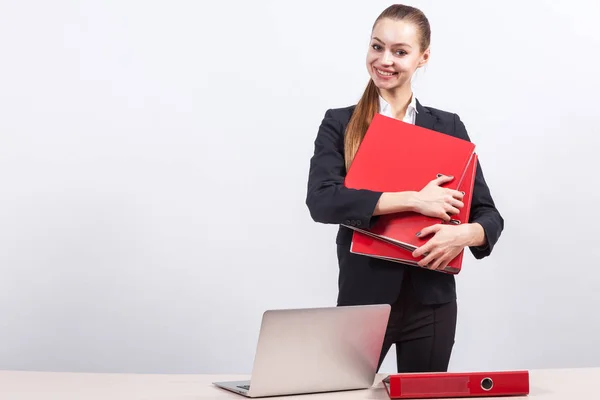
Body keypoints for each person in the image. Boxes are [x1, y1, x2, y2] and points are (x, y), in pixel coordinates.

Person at [305, 4, 504, 373]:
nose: (385, 60)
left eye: (400, 51)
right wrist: (415, 199)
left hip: (432, 305)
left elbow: (489, 216)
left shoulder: (448, 126)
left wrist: (462, 236)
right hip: (363, 303)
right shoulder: (340, 123)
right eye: (377, 47)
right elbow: (322, 201)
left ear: (423, 57)